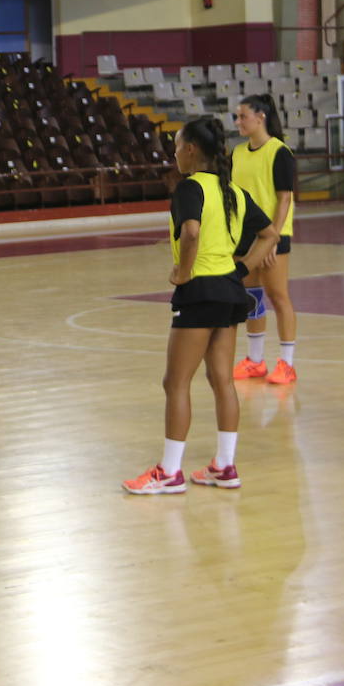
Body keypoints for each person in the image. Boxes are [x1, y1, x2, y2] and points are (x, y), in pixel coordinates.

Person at [123, 117, 278, 495]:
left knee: (175, 382)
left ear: (191, 149)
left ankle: (170, 472)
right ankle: (224, 467)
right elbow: (270, 233)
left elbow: (191, 231)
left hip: (200, 292)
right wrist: (242, 267)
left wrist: (182, 271)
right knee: (222, 380)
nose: (174, 152)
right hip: (229, 292)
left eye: (177, 145)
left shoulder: (189, 188)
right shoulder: (235, 193)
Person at [230, 94, 298, 384]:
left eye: (242, 116)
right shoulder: (236, 153)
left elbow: (284, 199)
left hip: (273, 235)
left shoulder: (279, 152)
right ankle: (255, 361)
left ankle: (287, 363)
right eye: (236, 116)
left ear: (260, 117)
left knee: (278, 296)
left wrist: (271, 237)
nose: (237, 122)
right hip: (244, 237)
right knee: (252, 297)